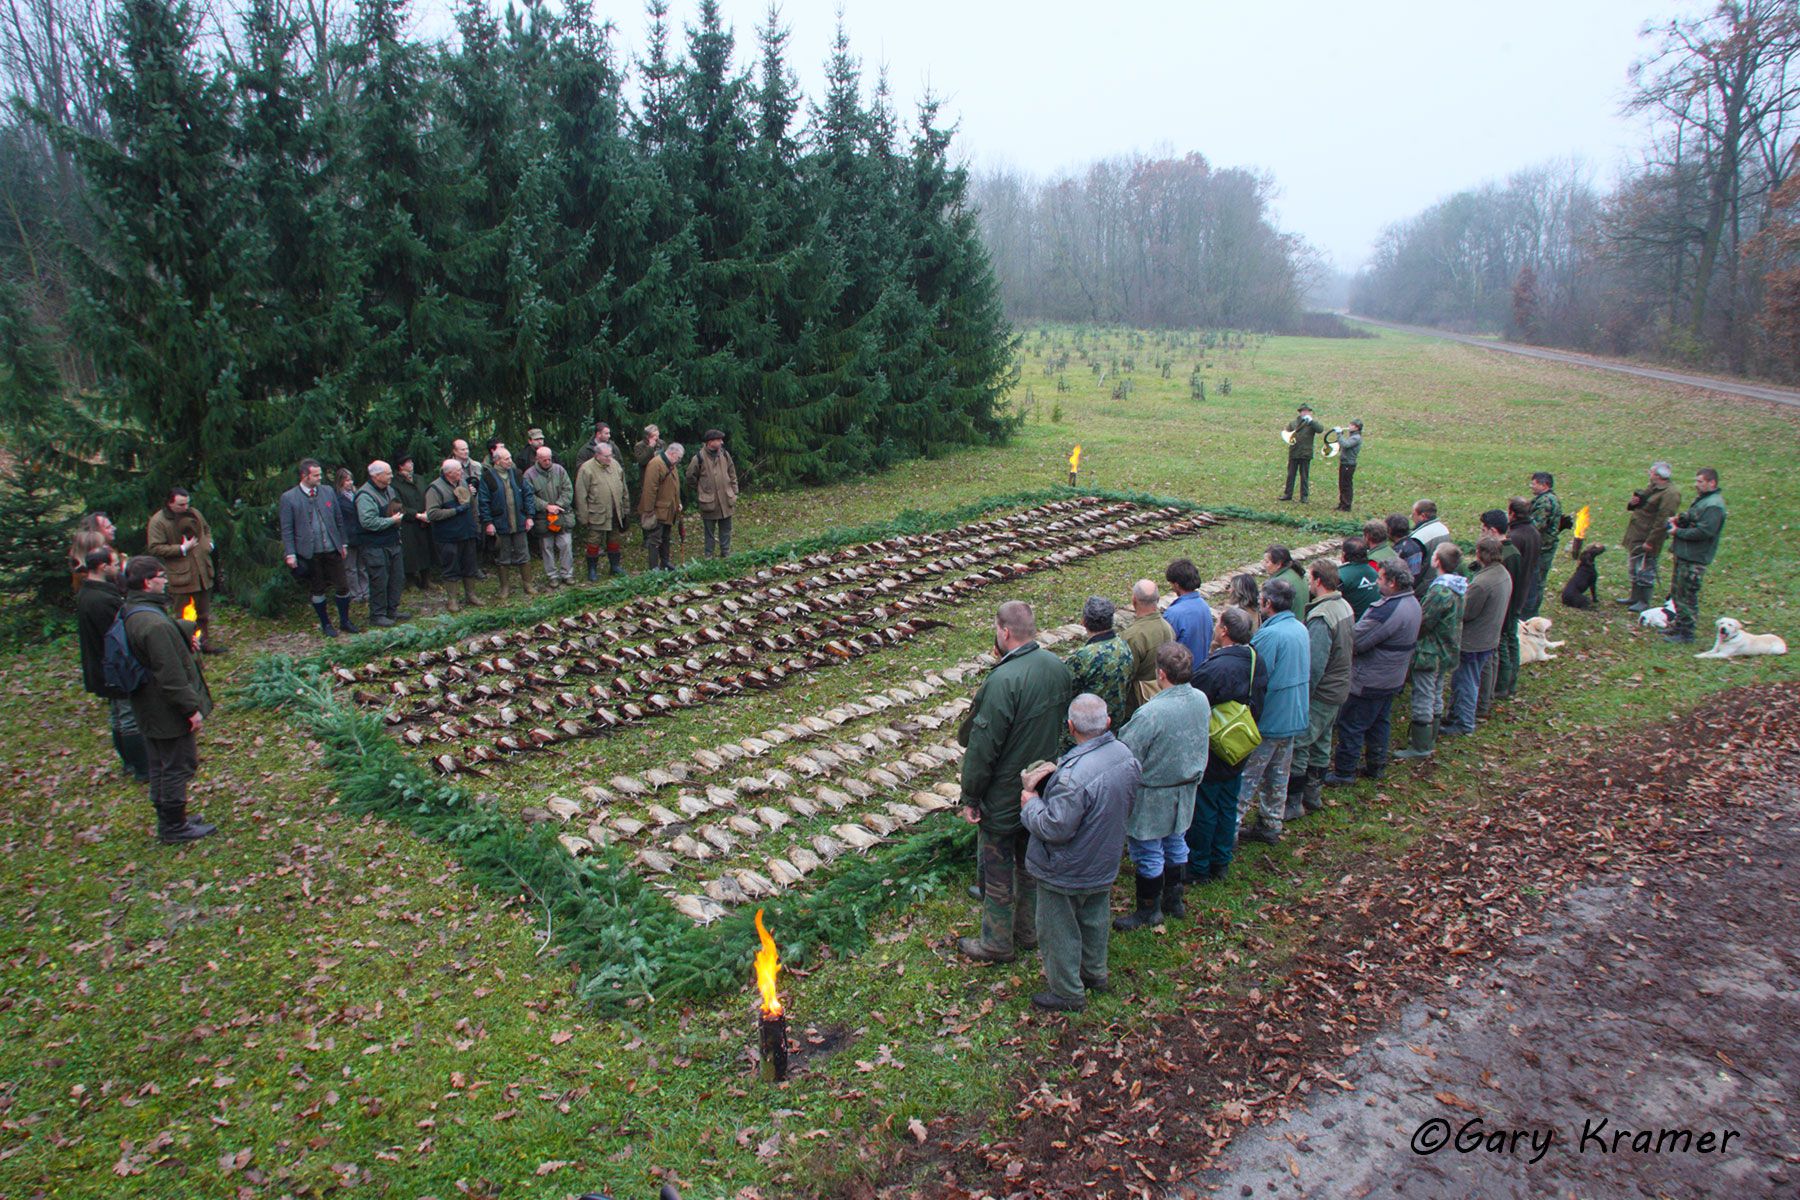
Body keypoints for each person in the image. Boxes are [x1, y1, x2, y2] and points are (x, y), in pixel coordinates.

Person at [957, 601, 1074, 964]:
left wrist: (971, 796)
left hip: (1005, 793)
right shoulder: (1058, 668)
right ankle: (1028, 932)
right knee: (1031, 862)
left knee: (998, 869)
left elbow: (982, 747)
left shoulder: (1002, 680)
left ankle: (996, 943)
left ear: (1004, 632)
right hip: (1042, 785)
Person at [1019, 693, 1141, 1012]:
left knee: (1057, 929)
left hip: (1067, 868)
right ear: (1108, 722)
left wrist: (1031, 805)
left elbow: (1054, 828)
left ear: (1070, 726)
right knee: (1095, 918)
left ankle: (1068, 992)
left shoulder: (1072, 778)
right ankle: (1094, 973)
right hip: (1105, 858)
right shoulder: (1126, 755)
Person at [118, 555, 215, 844]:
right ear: (148, 582)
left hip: (147, 705)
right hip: (164, 707)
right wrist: (191, 708)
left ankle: (170, 816)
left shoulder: (133, 610)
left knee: (160, 761)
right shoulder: (153, 625)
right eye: (161, 577)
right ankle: (174, 827)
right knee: (177, 764)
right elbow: (171, 676)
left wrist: (182, 631)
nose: (166, 581)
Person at [1114, 642, 1210, 932]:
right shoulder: (1201, 699)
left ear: (1161, 674)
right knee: (1176, 841)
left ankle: (1149, 909)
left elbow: (1126, 752)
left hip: (1154, 792)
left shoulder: (1151, 713)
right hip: (1186, 788)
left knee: (1147, 849)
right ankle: (1174, 900)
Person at [1187, 606, 1267, 884]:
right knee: (1228, 803)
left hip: (1214, 748)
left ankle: (1198, 866)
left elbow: (1194, 703)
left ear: (1224, 631)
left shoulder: (1217, 668)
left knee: (1206, 808)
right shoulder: (1256, 659)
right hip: (1240, 745)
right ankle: (1221, 860)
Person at [1325, 561, 1421, 785]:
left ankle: (1344, 772)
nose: (1377, 582)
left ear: (1393, 582)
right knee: (1379, 723)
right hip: (1392, 677)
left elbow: (1357, 641)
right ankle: (1376, 765)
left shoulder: (1386, 611)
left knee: (1352, 725)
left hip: (1370, 679)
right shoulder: (1412, 602)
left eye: (1380, 578)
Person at [1236, 579, 1309, 846]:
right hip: (1293, 714)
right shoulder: (1300, 628)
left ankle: (1230, 830)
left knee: (1247, 777)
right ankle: (1271, 824)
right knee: (1279, 774)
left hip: (1270, 718)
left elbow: (1255, 675)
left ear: (1267, 603)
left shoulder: (1270, 635)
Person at [75, 545, 149, 781]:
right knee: (128, 717)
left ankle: (129, 762)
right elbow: (118, 635)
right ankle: (141, 768)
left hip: (101, 666)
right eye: (115, 564)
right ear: (102, 567)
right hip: (114, 667)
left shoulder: (88, 593)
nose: (118, 568)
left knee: (117, 715)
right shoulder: (103, 600)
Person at [1290, 560, 1354, 817]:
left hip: (1322, 692)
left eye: (1310, 579)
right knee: (1322, 742)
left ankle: (1293, 802)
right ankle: (1313, 795)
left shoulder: (1321, 617)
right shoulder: (1344, 606)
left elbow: (1314, 666)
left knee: (1300, 744)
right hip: (1339, 687)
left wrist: (1302, 699)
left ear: (1317, 580)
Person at [1395, 544, 1465, 760]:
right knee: (1436, 691)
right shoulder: (1459, 586)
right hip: (1447, 648)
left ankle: (1421, 745)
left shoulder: (1440, 591)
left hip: (1430, 651)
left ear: (1437, 562)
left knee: (1424, 695)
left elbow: (1423, 621)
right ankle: (1432, 734)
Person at [278, 459, 356, 638]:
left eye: (320, 474)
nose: (320, 478)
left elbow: (338, 519)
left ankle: (345, 621)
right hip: (309, 553)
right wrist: (290, 553)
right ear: (305, 476)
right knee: (318, 588)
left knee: (343, 586)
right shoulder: (289, 498)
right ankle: (326, 624)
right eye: (316, 475)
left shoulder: (327, 492)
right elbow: (287, 529)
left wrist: (343, 543)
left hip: (332, 548)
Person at [1443, 537, 1511, 736]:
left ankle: (1464, 723)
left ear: (1481, 553)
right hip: (1489, 637)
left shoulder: (1482, 583)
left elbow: (1465, 612)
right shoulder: (1503, 573)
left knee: (1466, 682)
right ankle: (1456, 715)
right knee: (1466, 680)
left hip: (1473, 642)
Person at [145, 487, 224, 654]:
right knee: (183, 615)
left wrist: (208, 545)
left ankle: (204, 644)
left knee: (203, 614)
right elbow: (155, 547)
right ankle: (186, 647)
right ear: (170, 503)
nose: (185, 507)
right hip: (181, 577)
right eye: (181, 505)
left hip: (202, 572)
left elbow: (206, 530)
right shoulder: (158, 521)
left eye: (187, 503)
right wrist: (181, 548)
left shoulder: (194, 513)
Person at [1665, 467, 1727, 645]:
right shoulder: (1704, 500)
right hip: (1685, 554)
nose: (1696, 485)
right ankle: (1678, 626)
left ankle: (1687, 634)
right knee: (1677, 592)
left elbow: (1704, 532)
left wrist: (1678, 532)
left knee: (1687, 595)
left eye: (1700, 481)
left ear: (1712, 483)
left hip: (1695, 557)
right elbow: (1693, 516)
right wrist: (1678, 519)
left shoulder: (1714, 505)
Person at [1618, 461, 1681, 612]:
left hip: (1649, 536)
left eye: (1651, 472)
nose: (1649, 474)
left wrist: (1651, 542)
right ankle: (1634, 596)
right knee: (1635, 565)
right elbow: (1644, 505)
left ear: (1658, 475)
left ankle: (1643, 601)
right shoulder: (1653, 487)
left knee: (1646, 568)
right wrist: (1633, 503)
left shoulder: (1670, 494)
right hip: (1638, 532)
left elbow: (1662, 521)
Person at [1064, 595, 1134, 732]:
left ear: (1083, 621)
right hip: (1114, 725)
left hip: (1084, 729)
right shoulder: (1124, 646)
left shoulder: (1083, 657)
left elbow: (1064, 692)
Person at [354, 461, 411, 627]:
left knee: (397, 577)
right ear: (376, 476)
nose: (391, 476)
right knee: (379, 579)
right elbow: (367, 522)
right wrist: (391, 521)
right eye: (387, 473)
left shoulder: (389, 489)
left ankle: (392, 610)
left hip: (392, 542)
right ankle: (377, 614)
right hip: (374, 545)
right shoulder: (365, 495)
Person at [479, 447, 538, 598]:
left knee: (523, 554)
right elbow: (483, 502)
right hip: (500, 523)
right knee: (503, 557)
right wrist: (488, 522)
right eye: (506, 459)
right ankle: (504, 588)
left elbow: (528, 495)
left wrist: (530, 516)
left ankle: (528, 584)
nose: (510, 461)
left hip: (519, 521)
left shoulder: (517, 474)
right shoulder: (487, 477)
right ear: (497, 461)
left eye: (510, 458)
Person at [1495, 501, 1539, 700]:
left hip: (1511, 595)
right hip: (1523, 591)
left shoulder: (1515, 538)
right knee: (1512, 638)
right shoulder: (1534, 532)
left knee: (1504, 640)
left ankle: (1503, 684)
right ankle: (1512, 681)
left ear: (1512, 514)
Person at [426, 458, 482, 612]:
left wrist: (476, 525)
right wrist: (456, 510)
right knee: (451, 567)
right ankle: (452, 600)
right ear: (449, 473)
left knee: (469, 565)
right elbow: (432, 514)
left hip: (467, 532)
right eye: (458, 470)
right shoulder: (435, 489)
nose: (462, 472)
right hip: (448, 536)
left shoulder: (463, 483)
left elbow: (471, 506)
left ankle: (471, 595)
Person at [575, 441, 631, 580]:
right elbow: (580, 495)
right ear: (597, 455)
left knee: (614, 538)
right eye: (606, 456)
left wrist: (625, 507)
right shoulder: (586, 469)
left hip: (615, 511)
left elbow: (623, 488)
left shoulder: (615, 464)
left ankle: (615, 566)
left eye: (610, 455)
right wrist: (584, 516)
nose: (609, 458)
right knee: (594, 541)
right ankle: (592, 570)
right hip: (596, 513)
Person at [1120, 579, 1174, 715]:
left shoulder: (1132, 636)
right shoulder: (1168, 628)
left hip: (1138, 704)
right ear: (1158, 599)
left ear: (1134, 600)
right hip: (1163, 695)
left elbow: (1125, 676)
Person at [525, 445, 576, 588]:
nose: (548, 462)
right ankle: (552, 575)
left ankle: (568, 574)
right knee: (547, 547)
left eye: (549, 459)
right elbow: (529, 496)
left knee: (566, 544)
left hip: (562, 514)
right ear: (537, 459)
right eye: (544, 460)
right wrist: (546, 506)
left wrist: (558, 505)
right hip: (542, 518)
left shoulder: (559, 470)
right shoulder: (529, 475)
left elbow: (568, 490)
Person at [685, 429, 740, 558]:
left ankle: (725, 552)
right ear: (710, 442)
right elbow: (690, 477)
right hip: (708, 501)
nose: (721, 442)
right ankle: (709, 555)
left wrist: (734, 491)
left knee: (726, 528)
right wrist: (701, 490)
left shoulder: (725, 454)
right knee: (709, 531)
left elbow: (732, 472)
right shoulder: (698, 458)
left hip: (726, 499)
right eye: (718, 440)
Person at [638, 440, 685, 571]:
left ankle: (665, 562)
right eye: (678, 457)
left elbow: (675, 487)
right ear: (671, 453)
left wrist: (678, 502)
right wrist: (649, 511)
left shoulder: (671, 464)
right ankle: (653, 567)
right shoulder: (655, 464)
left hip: (669, 509)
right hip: (657, 510)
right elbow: (650, 489)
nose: (679, 461)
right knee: (655, 539)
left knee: (666, 537)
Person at [390, 455, 435, 591]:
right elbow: (397, 504)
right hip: (408, 522)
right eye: (408, 462)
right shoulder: (395, 484)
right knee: (410, 552)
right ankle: (410, 581)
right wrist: (415, 514)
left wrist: (428, 511)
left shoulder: (419, 479)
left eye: (411, 461)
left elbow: (428, 494)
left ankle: (427, 578)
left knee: (426, 548)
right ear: (400, 466)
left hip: (425, 518)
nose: (411, 464)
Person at [1523, 473, 1563, 619]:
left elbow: (1536, 526)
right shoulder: (1547, 498)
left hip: (1543, 548)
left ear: (1544, 485)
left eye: (1534, 484)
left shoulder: (1545, 502)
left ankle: (1532, 614)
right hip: (1544, 545)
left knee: (1537, 581)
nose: (1531, 486)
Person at [1162, 559, 1213, 666]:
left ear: (1176, 585)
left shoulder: (1173, 614)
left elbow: (1164, 650)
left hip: (1181, 674)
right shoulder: (1204, 606)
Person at [334, 467, 371, 607]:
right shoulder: (337, 497)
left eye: (351, 479)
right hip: (347, 537)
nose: (350, 483)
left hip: (360, 535)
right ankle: (356, 593)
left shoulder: (358, 494)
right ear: (340, 481)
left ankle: (366, 591)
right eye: (347, 480)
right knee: (351, 568)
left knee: (362, 566)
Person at [1280, 403, 1326, 502]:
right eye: (1304, 411)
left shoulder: (1312, 424)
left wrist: (1312, 422)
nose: (1306, 413)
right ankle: (1288, 494)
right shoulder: (1293, 423)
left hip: (1306, 453)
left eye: (1308, 411)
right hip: (1294, 452)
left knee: (1304, 476)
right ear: (1300, 412)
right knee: (1291, 475)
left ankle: (1304, 496)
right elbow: (1286, 434)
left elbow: (1320, 430)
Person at [1406, 500, 1452, 597]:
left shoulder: (1419, 537)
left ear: (1422, 516)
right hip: (1440, 582)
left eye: (1413, 514)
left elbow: (1414, 570)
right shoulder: (1443, 529)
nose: (1411, 517)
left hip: (1423, 590)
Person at [1337, 537, 1380, 618]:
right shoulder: (1373, 571)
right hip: (1375, 619)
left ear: (1344, 554)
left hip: (1354, 623)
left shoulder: (1341, 574)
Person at [1334, 419, 1364, 511]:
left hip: (1349, 464)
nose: (1349, 426)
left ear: (1356, 427)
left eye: (1351, 425)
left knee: (1346, 485)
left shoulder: (1356, 438)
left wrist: (1339, 434)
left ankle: (1346, 505)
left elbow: (1345, 444)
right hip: (1344, 463)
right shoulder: (1353, 436)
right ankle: (1342, 503)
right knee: (1342, 484)